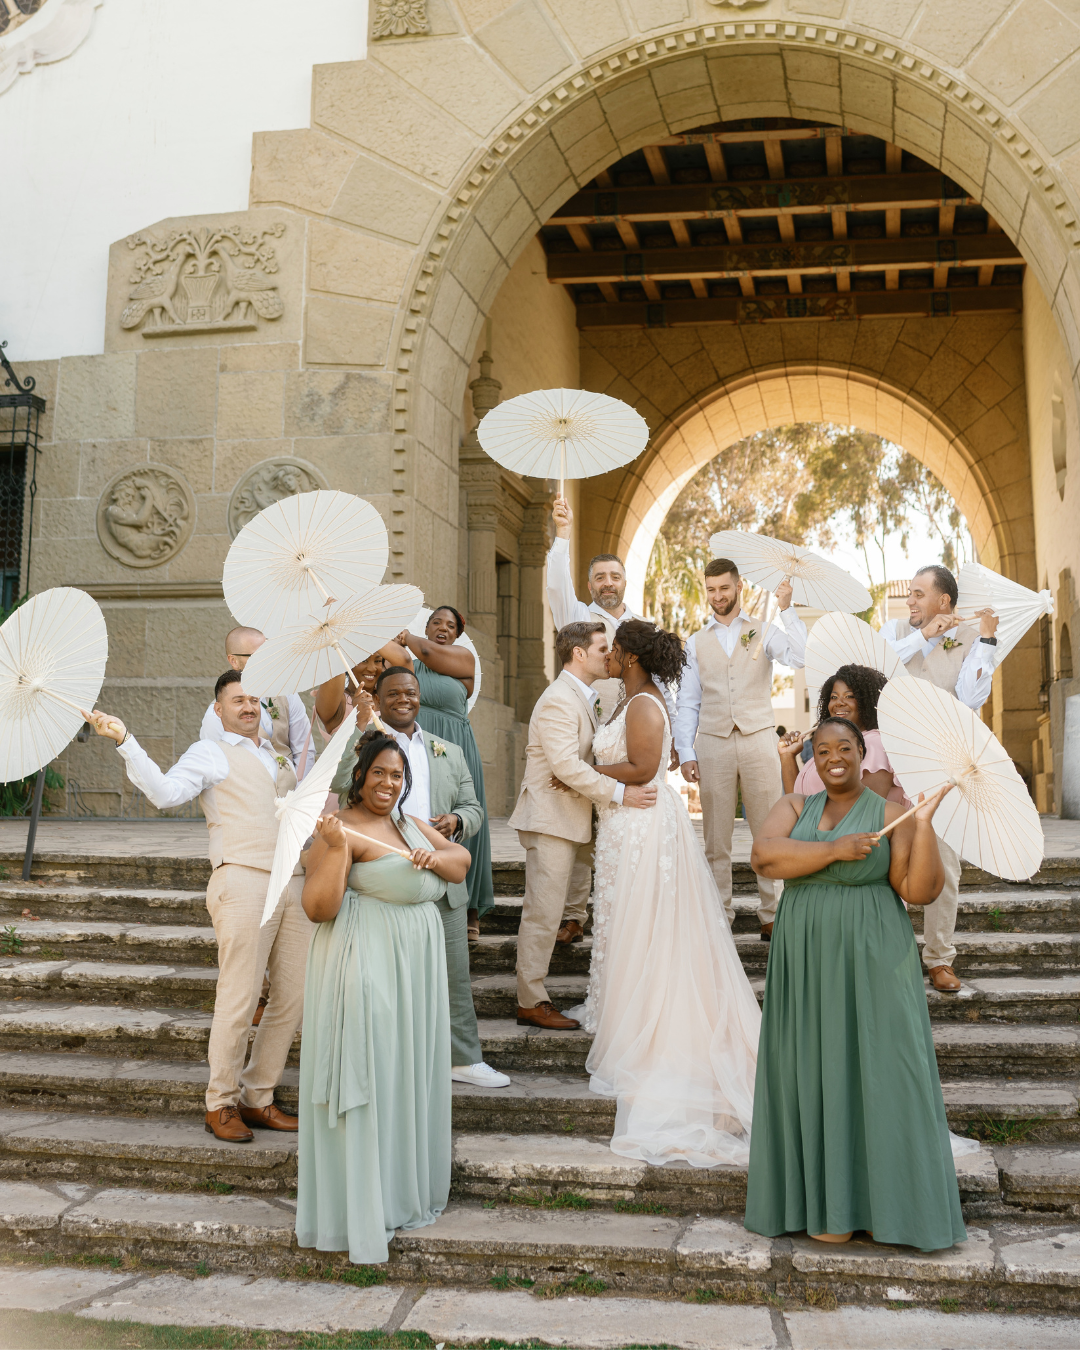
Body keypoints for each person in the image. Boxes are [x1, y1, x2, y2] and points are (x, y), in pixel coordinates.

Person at [745, 718, 966, 1251]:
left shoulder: (893, 814)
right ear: (813, 760)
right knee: (810, 1070)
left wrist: (926, 825)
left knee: (885, 1068)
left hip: (875, 955)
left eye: (845, 747)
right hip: (806, 958)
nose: (833, 757)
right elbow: (763, 856)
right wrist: (833, 851)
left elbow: (919, 890)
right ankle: (824, 1205)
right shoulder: (796, 808)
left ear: (863, 754)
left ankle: (885, 1207)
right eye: (823, 750)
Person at [84, 671, 312, 1142]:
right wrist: (125, 739)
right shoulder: (211, 752)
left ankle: (258, 1096)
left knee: (295, 997)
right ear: (219, 710)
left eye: (255, 700)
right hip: (243, 877)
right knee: (240, 996)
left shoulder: (279, 755)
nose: (248, 707)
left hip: (294, 882)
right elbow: (165, 793)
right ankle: (220, 1102)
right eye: (237, 701)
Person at [566, 620, 761, 1167]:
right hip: (625, 828)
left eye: (613, 649)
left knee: (648, 922)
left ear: (629, 656)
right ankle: (626, 1008)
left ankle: (652, 1026)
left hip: (645, 827)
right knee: (629, 921)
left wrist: (583, 769)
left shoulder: (645, 705)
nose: (606, 656)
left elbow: (645, 768)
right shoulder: (629, 699)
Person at [296, 730, 470, 1265]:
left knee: (401, 1079)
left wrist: (430, 858)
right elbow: (319, 908)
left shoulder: (407, 823)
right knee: (369, 1076)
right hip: (365, 966)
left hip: (412, 974)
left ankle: (398, 1191)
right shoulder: (339, 829)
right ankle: (361, 1209)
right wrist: (335, 850)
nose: (389, 783)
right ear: (360, 776)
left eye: (397, 775)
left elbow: (460, 861)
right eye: (379, 773)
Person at [327, 665, 510, 1090]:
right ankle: (398, 1060)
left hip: (441, 877)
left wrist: (454, 822)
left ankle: (462, 1059)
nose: (403, 700)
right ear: (380, 697)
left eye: (410, 692)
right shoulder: (367, 747)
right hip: (387, 873)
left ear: (419, 696)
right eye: (393, 694)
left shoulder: (448, 749)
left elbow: (475, 807)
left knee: (453, 977)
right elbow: (339, 783)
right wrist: (358, 730)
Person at [508, 620, 658, 1030]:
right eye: (600, 648)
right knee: (543, 913)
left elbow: (579, 764)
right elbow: (566, 767)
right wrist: (621, 793)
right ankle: (530, 1000)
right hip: (552, 819)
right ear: (579, 654)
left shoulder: (584, 697)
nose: (608, 655)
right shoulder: (559, 698)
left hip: (577, 819)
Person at [673, 557, 808, 939]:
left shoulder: (765, 631)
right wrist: (686, 752)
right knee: (716, 838)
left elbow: (800, 657)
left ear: (739, 588)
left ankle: (773, 914)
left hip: (758, 739)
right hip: (712, 744)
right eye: (711, 589)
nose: (717, 596)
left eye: (724, 588)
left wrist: (787, 609)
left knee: (770, 830)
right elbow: (688, 701)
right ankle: (720, 916)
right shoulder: (696, 642)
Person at [881, 565, 1000, 993]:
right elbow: (877, 666)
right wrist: (925, 636)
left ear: (943, 600)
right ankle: (884, 954)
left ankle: (939, 958)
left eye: (917, 594)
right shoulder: (894, 630)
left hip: (945, 762)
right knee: (884, 858)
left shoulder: (970, 637)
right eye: (910, 593)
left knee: (945, 863)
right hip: (890, 759)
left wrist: (986, 640)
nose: (909, 600)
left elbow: (970, 700)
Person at [388, 608, 494, 941]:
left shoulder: (463, 659)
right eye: (436, 623)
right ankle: (429, 891)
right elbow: (386, 649)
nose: (443, 629)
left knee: (465, 816)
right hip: (416, 742)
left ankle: (469, 906)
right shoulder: (410, 663)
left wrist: (405, 637)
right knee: (422, 812)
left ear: (458, 635)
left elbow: (430, 652)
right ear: (427, 625)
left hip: (455, 743)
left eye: (450, 626)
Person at [545, 495, 676, 726]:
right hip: (590, 734)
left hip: (640, 732)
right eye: (599, 578)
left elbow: (662, 685)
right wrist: (563, 531)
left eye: (615, 577)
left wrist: (674, 732)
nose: (608, 583)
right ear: (589, 586)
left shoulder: (648, 627)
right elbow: (557, 586)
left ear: (624, 583)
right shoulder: (579, 618)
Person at [778, 664, 908, 804]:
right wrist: (787, 756)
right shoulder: (834, 745)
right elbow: (797, 805)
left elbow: (866, 813)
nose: (839, 703)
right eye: (834, 697)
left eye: (849, 696)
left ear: (868, 702)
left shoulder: (874, 743)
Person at [201, 626, 314, 777]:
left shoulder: (288, 695)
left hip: (292, 791)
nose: (266, 661)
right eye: (257, 656)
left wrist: (299, 794)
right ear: (233, 661)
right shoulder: (216, 716)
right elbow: (217, 769)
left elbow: (304, 750)